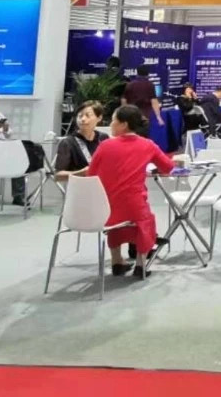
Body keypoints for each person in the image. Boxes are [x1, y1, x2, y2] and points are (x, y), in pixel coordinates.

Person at [56, 105, 181, 279]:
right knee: (145, 221)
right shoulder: (148, 145)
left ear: (124, 124)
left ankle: (117, 261)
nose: (111, 124)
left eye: (114, 120)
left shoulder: (105, 145)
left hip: (105, 207)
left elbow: (92, 175)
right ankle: (141, 264)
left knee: (115, 218)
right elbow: (168, 168)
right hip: (135, 206)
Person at [54, 100, 109, 175]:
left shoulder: (103, 138)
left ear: (99, 118)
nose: (83, 119)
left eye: (87, 115)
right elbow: (58, 175)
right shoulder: (68, 143)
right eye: (80, 116)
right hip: (80, 181)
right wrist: (80, 172)